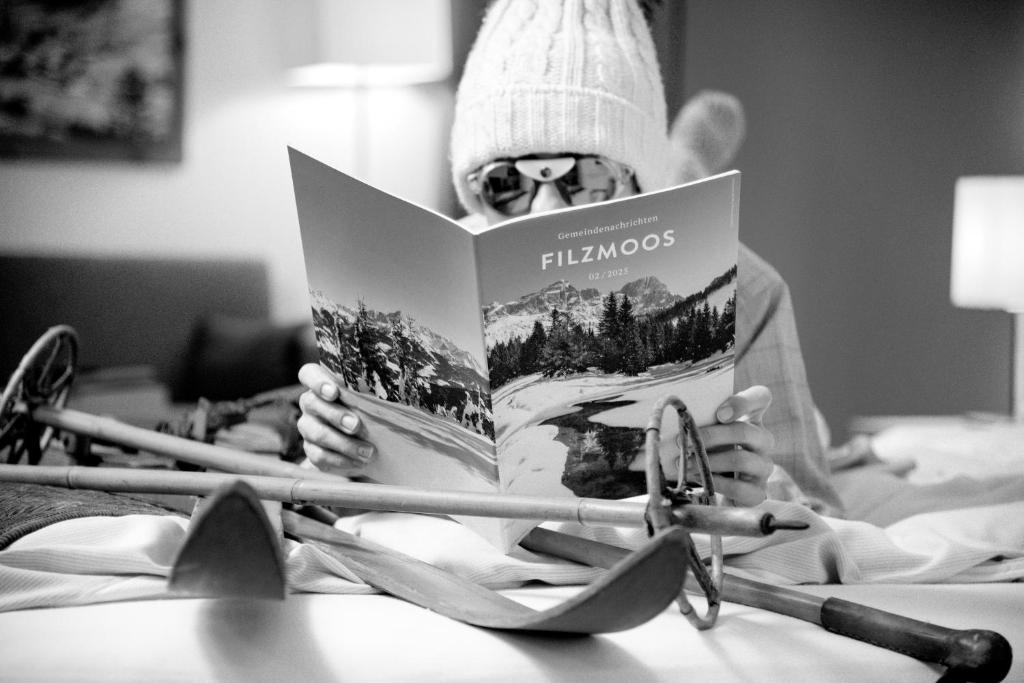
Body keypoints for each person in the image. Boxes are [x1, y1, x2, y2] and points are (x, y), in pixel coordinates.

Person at [296, 0, 843, 515]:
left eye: (585, 177)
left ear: (635, 179)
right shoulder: (433, 271)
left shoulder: (748, 286)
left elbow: (818, 512)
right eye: (506, 183)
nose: (546, 209)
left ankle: (680, 164)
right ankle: (679, 159)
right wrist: (340, 458)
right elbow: (324, 504)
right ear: (473, 190)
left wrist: (756, 486)